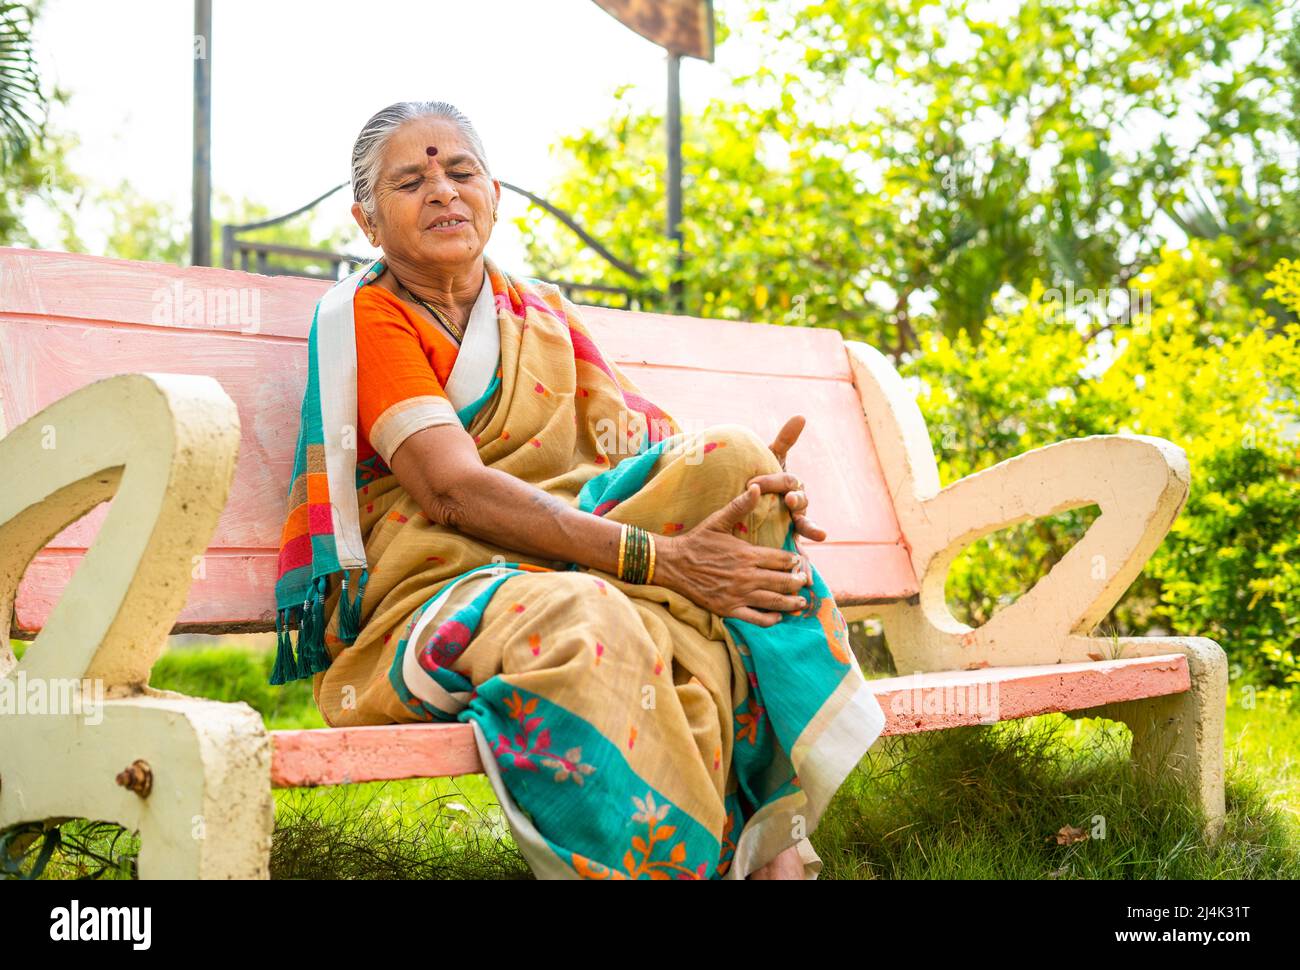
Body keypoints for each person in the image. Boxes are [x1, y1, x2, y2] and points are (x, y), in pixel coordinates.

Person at [271, 100, 886, 880]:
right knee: (592, 612)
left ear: (493, 194)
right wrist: (655, 559)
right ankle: (696, 861)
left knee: (734, 459)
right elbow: (453, 492)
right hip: (439, 576)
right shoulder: (372, 315)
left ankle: (773, 837)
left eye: (461, 171)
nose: (443, 190)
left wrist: (760, 482)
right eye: (410, 180)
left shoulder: (539, 313)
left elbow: (639, 446)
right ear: (368, 222)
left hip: (562, 542)